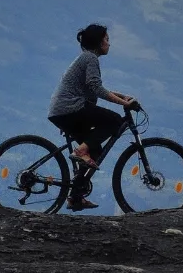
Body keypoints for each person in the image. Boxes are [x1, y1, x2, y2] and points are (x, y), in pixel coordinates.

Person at [48, 23, 134, 211]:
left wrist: (122, 96)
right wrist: (124, 104)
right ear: (99, 41)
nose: (109, 44)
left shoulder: (85, 58)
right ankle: (81, 151)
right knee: (115, 121)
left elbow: (92, 87)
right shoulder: (90, 59)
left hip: (63, 110)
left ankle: (75, 197)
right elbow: (96, 88)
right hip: (71, 108)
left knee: (95, 150)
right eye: (107, 39)